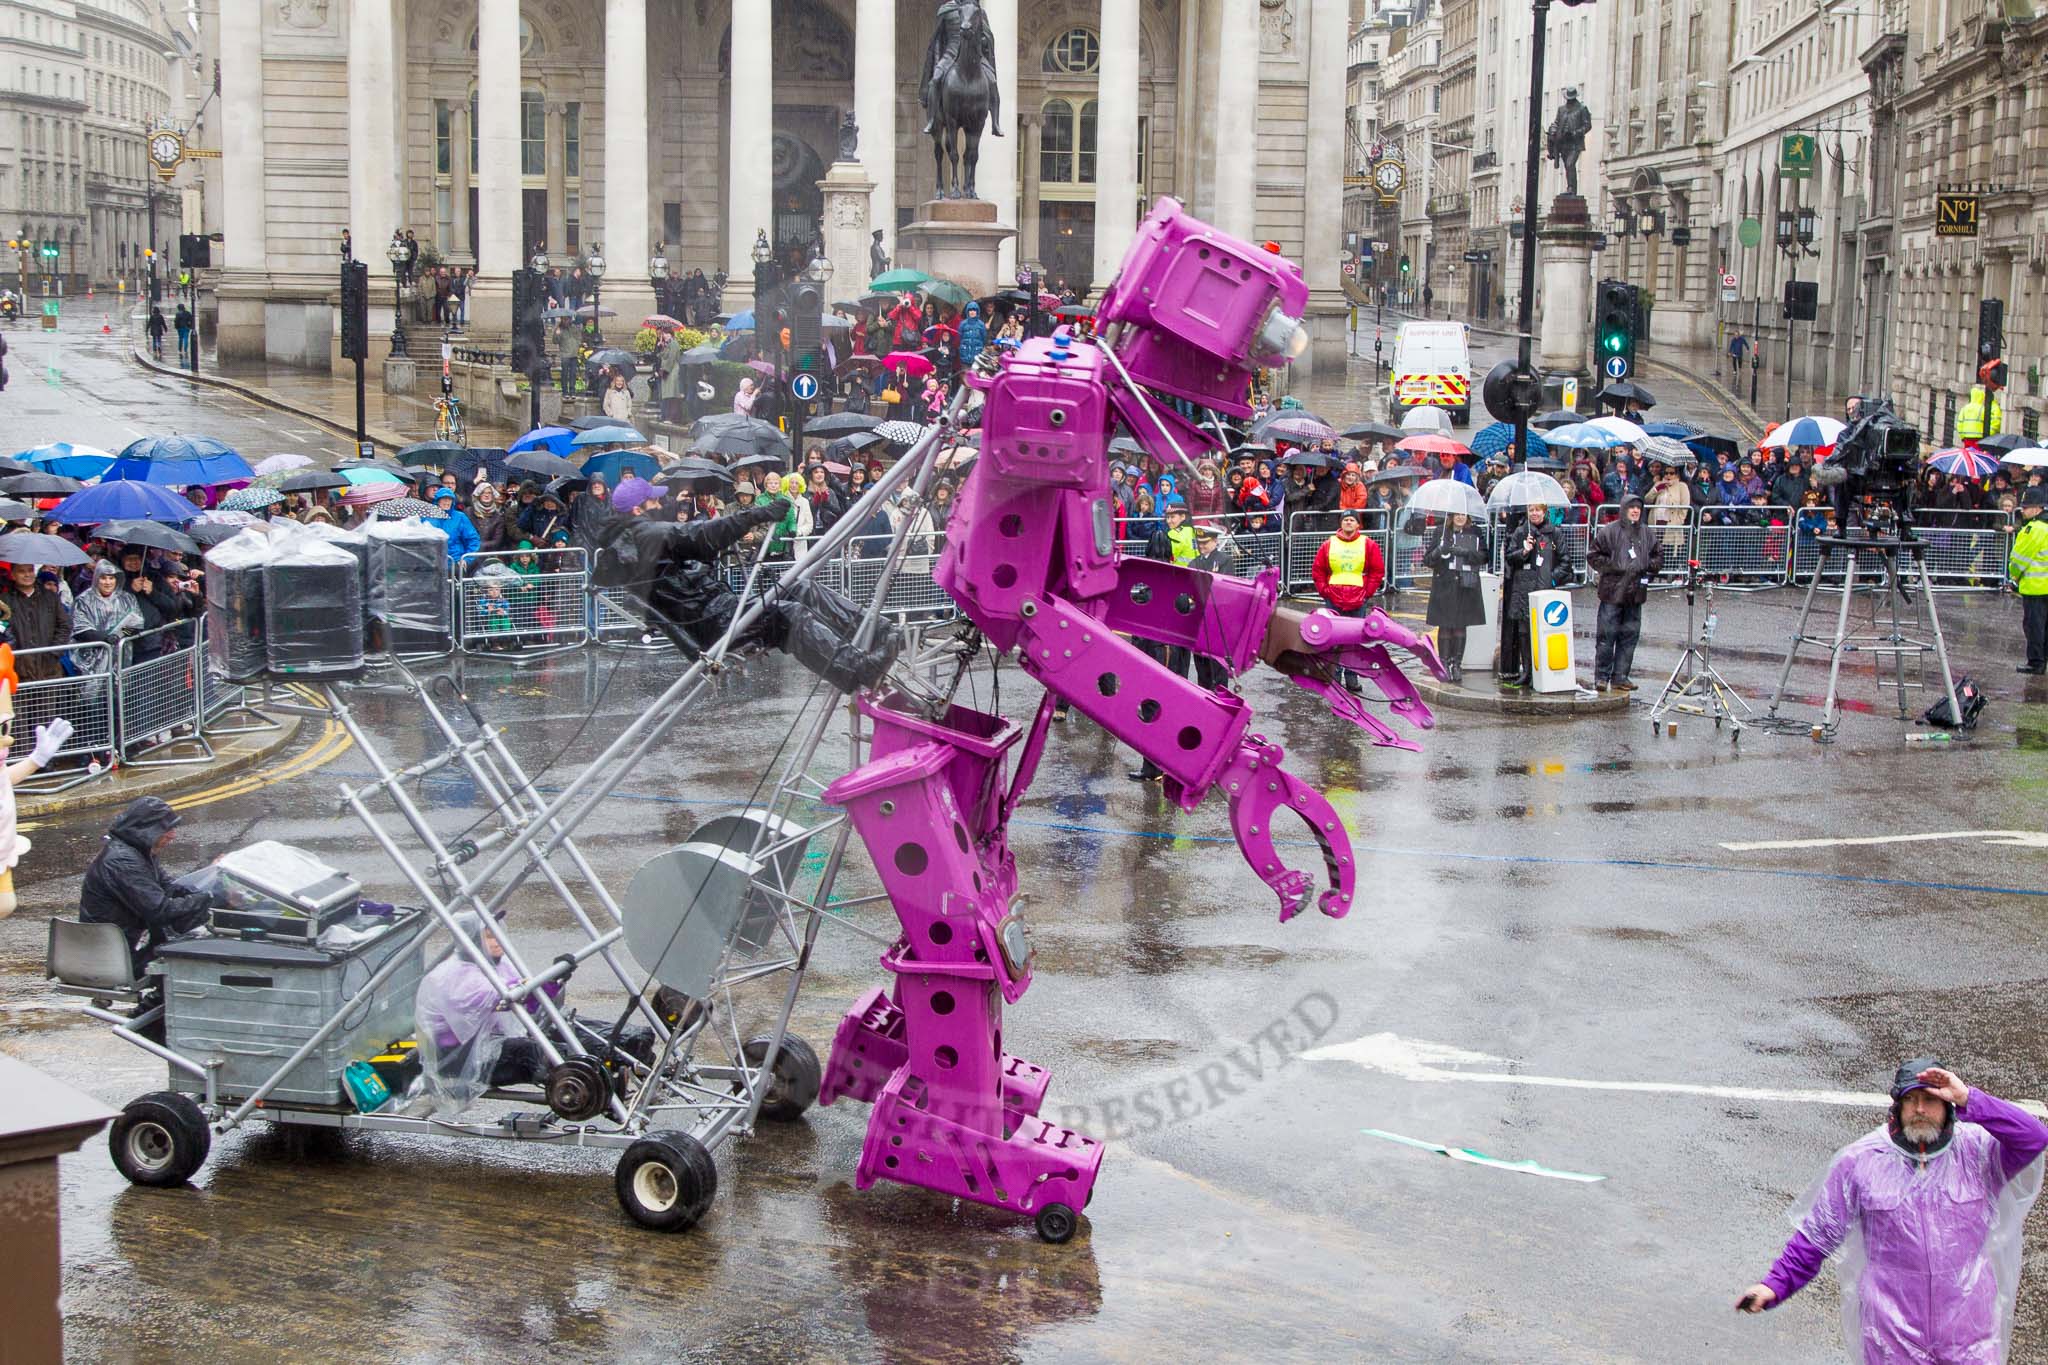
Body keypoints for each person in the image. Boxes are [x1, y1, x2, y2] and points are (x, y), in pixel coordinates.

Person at [1737, 1060, 2048, 1364]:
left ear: (1948, 1105)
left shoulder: (1980, 1154)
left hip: (1967, 1332)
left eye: (1930, 1099)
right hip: (1892, 1334)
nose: (1920, 1109)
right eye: (1910, 1100)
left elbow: (2034, 1137)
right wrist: (1774, 1285)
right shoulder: (1860, 1162)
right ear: (1897, 1108)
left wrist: (1970, 1098)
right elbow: (1817, 1236)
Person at [593, 476, 790, 655]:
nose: (660, 504)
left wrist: (699, 563)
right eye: (653, 501)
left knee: (800, 588)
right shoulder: (649, 535)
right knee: (794, 613)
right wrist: (757, 514)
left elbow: (685, 562)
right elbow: (704, 533)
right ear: (637, 510)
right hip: (716, 619)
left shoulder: (635, 541)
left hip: (712, 610)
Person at [79, 796, 212, 973]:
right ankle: (155, 1000)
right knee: (198, 954)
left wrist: (209, 888)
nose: (173, 835)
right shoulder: (123, 861)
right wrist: (207, 898)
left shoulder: (139, 852)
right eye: (166, 829)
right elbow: (161, 911)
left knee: (192, 932)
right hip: (115, 957)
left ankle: (156, 1000)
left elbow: (169, 888)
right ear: (146, 830)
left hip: (126, 945)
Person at [1586, 494, 1661, 691]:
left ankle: (1621, 676)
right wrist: (1611, 566)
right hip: (1612, 593)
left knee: (1629, 637)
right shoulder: (1609, 532)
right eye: (1632, 507)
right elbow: (1593, 555)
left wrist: (1646, 566)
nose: (1635, 511)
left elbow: (1658, 557)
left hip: (1635, 595)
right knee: (1606, 636)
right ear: (1624, 509)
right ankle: (1601, 677)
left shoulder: (1647, 533)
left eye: (1638, 508)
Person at [1310, 511, 1386, 695]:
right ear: (1341, 523)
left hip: (1357, 600)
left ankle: (1352, 677)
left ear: (1358, 524)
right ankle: (1334, 677)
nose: (1349, 523)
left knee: (1353, 641)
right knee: (1334, 640)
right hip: (1334, 598)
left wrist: (1367, 593)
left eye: (1352, 520)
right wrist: (1325, 591)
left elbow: (1377, 571)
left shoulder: (1368, 544)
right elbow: (1318, 570)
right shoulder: (1328, 544)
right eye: (1346, 520)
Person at [1498, 502, 1566, 689]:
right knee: (1524, 632)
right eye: (1531, 510)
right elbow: (1510, 557)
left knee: (1543, 633)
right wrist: (1525, 551)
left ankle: (1542, 671)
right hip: (1523, 589)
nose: (1534, 513)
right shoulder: (1521, 532)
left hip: (1544, 589)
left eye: (1538, 510)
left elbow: (1565, 562)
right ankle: (1527, 670)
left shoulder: (1555, 533)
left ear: (1544, 512)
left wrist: (1551, 579)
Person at [1422, 511, 1487, 685]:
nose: (1460, 517)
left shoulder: (1475, 532)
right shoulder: (1441, 532)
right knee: (1445, 625)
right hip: (1445, 584)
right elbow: (1427, 560)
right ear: (1451, 516)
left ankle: (1456, 663)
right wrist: (1439, 551)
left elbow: (1484, 556)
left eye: (1464, 514)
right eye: (1457, 514)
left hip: (1466, 585)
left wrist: (1467, 553)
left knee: (1460, 625)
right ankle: (1443, 662)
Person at [1, 561, 70, 680]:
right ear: (12, 575)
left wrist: (54, 652)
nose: (27, 575)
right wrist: (16, 656)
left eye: (30, 570)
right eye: (22, 571)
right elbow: (3, 631)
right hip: (19, 672)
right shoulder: (4, 601)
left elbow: (65, 625)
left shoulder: (50, 597)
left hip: (50, 670)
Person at [2010, 485, 2047, 674]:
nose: (2023, 510)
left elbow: (2019, 559)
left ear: (2037, 507)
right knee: (2045, 628)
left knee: (2034, 627)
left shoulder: (2033, 529)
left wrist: (2013, 577)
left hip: (2035, 588)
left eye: (2025, 507)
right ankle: (2043, 660)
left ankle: (2035, 662)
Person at [428, 487, 482, 564]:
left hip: (455, 562)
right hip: (433, 562)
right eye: (444, 498)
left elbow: (473, 539)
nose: (447, 501)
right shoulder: (428, 518)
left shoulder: (460, 517)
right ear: (437, 501)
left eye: (449, 499)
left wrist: (467, 559)